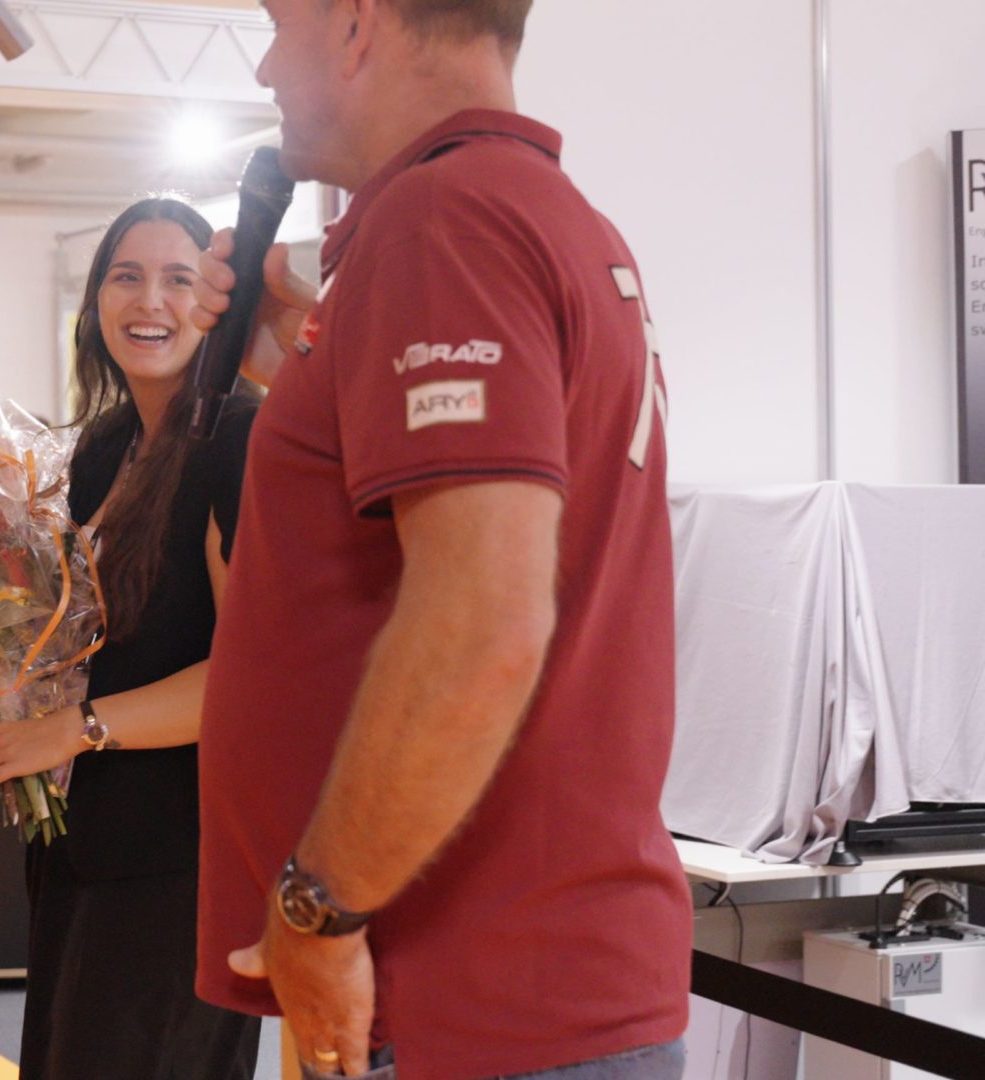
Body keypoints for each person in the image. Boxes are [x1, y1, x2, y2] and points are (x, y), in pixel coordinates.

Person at [191, 3, 690, 1077]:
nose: (267, 67)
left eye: (278, 23)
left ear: (356, 24)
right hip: (517, 990)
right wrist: (302, 348)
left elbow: (482, 624)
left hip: (472, 999)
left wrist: (317, 907)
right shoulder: (537, 214)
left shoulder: (442, 219)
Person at [0, 198, 262, 1079]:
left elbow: (253, 674)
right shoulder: (103, 447)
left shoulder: (240, 440)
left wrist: (77, 727)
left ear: (218, 303)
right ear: (95, 300)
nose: (150, 301)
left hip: (184, 855)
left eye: (180, 279)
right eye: (126, 277)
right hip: (85, 840)